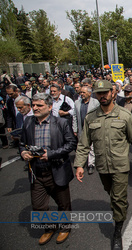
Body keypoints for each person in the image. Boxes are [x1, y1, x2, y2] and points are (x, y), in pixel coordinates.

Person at [74, 80, 132, 250]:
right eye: (99, 93)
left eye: (105, 92)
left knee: (117, 198)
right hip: (102, 166)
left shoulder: (124, 115)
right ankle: (120, 206)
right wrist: (79, 165)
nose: (102, 96)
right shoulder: (91, 117)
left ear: (113, 93)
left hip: (120, 165)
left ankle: (117, 231)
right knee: (111, 193)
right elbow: (84, 144)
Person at [20, 93, 77, 245]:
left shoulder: (61, 123)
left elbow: (71, 144)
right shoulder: (28, 122)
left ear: (50, 106)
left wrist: (51, 154)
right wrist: (24, 152)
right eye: (33, 105)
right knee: (38, 206)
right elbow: (22, 144)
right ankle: (49, 228)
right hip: (36, 172)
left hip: (57, 170)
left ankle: (65, 227)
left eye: (39, 105)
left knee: (63, 204)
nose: (35, 108)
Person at [72, 86, 99, 174]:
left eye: (84, 92)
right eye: (81, 92)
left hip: (92, 128)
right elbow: (75, 116)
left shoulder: (95, 103)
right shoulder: (77, 103)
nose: (82, 94)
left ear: (90, 93)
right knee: (82, 145)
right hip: (81, 128)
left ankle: (91, 164)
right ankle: (81, 162)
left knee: (91, 147)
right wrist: (75, 128)